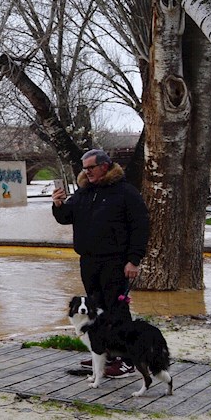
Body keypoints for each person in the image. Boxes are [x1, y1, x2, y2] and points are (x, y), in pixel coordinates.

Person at [51, 147, 150, 379]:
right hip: (89, 262)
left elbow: (141, 226)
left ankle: (127, 361)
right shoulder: (84, 193)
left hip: (115, 262)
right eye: (84, 169)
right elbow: (66, 217)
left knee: (117, 310)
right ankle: (103, 354)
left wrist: (134, 260)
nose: (87, 173)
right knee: (96, 311)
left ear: (104, 166)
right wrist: (58, 205)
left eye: (91, 168)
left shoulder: (125, 192)